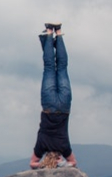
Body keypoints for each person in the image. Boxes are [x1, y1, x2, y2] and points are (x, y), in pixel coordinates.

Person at [29, 22, 77, 169]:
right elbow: (32, 164)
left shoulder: (64, 147)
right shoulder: (41, 146)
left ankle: (59, 32)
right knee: (49, 67)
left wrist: (62, 164)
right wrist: (42, 165)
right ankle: (50, 31)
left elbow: (73, 163)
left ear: (58, 157)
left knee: (62, 67)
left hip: (64, 107)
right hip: (49, 105)